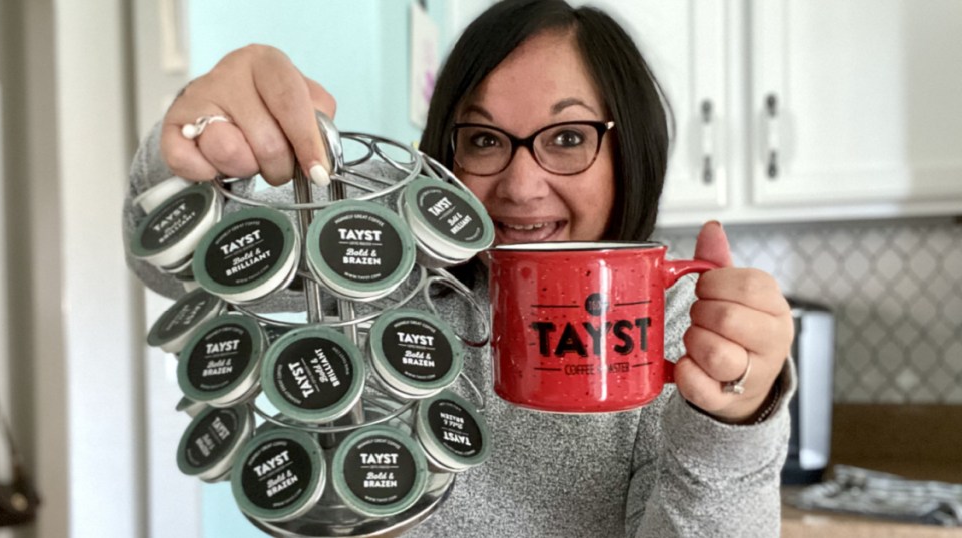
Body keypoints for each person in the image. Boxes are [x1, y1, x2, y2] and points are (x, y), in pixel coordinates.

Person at [125, 1, 796, 536]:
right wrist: (198, 143)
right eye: (482, 140)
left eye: (567, 138)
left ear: (632, 146)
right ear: (444, 157)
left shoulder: (687, 336)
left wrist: (727, 429)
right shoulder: (389, 260)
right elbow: (175, 265)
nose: (521, 184)